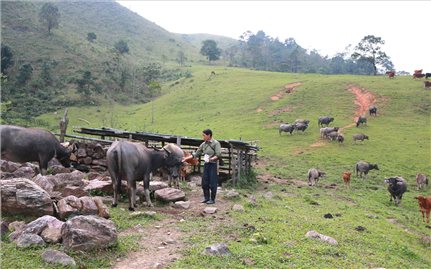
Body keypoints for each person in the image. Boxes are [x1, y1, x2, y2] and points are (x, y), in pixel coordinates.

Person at [182, 129, 221, 204]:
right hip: (206, 164)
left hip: (213, 164)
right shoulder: (203, 144)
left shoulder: (216, 143)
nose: (203, 137)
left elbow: (218, 154)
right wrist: (186, 158)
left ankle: (212, 199)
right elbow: (196, 154)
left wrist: (211, 159)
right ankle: (206, 198)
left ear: (209, 135)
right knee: (204, 182)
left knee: (213, 182)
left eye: (204, 135)